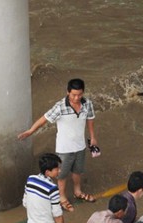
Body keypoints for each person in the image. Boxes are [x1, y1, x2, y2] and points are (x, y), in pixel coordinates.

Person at [17, 78, 99, 211]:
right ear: (68, 92)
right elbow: (44, 119)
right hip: (64, 148)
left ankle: (78, 192)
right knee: (62, 175)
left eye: (79, 94)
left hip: (80, 146)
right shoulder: (60, 106)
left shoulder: (87, 104)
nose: (77, 97)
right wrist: (31, 131)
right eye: (73, 95)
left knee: (78, 171)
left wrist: (93, 136)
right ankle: (62, 198)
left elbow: (90, 119)